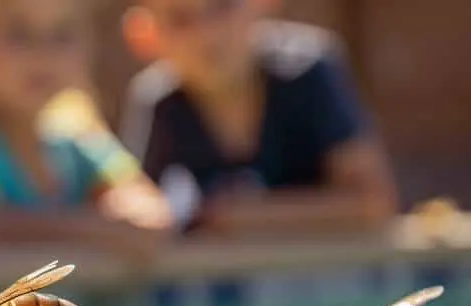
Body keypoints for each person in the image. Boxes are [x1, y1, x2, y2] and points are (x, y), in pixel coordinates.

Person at [0, 0, 176, 253]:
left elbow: (146, 208)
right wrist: (96, 227)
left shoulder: (78, 143)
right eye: (18, 34)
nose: (42, 53)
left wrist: (131, 217)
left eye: (62, 34)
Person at [120, 0, 399, 234]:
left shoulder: (308, 72)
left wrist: (242, 216)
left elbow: (372, 202)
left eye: (223, 6)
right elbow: (142, 215)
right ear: (146, 34)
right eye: (181, 20)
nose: (208, 34)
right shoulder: (158, 102)